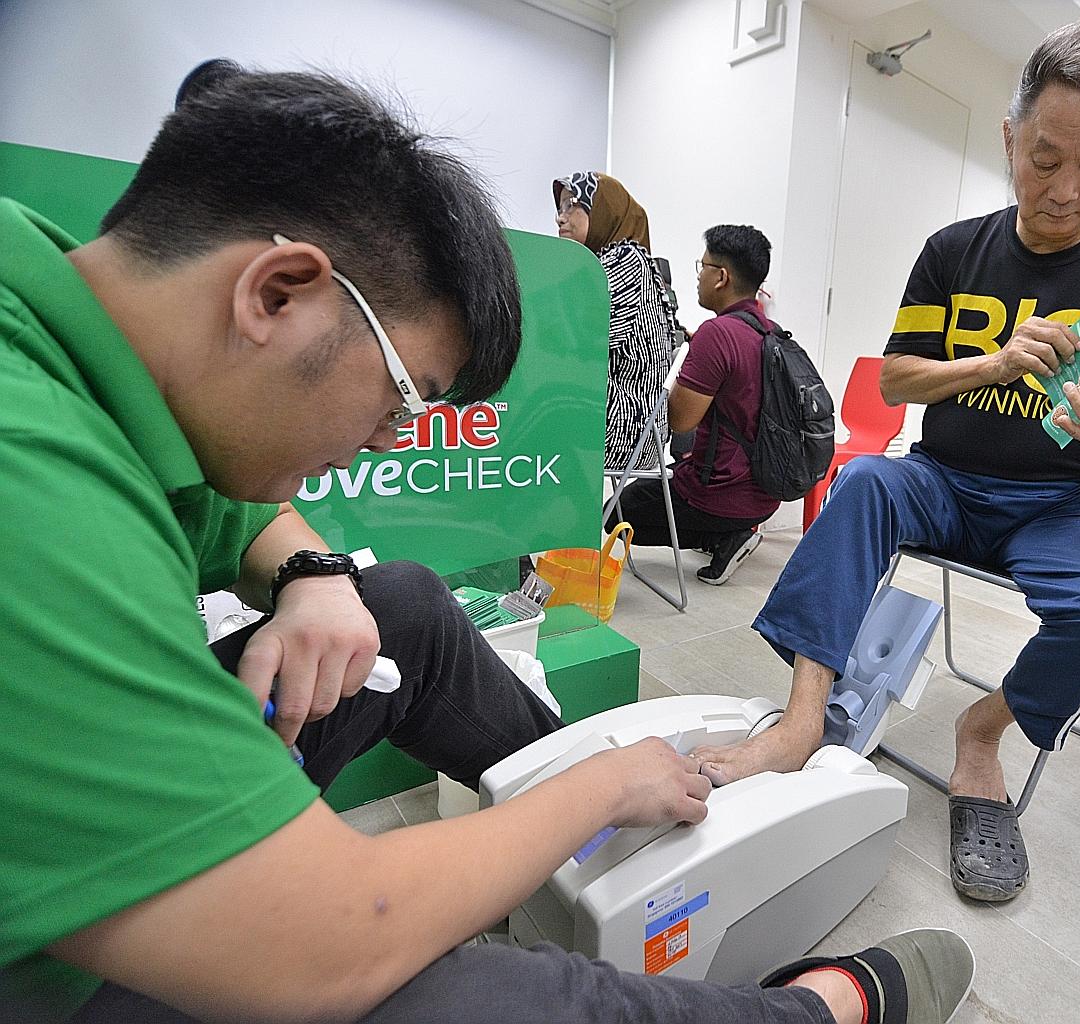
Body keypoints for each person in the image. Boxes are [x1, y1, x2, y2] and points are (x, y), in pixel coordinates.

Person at [0, 63, 977, 1024]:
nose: (389, 437)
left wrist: (310, 571)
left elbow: (242, 512)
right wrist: (600, 785)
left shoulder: (70, 330)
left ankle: (604, 856)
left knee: (408, 610)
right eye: (402, 395)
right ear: (276, 295)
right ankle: (820, 1008)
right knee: (496, 993)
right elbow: (327, 940)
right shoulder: (32, 494)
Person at [692, 20, 1080, 904]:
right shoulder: (954, 251)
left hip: (1064, 500)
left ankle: (983, 733)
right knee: (861, 483)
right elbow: (896, 381)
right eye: (1045, 158)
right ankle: (802, 721)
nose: (1067, 189)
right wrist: (995, 362)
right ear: (1011, 137)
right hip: (943, 482)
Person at [607, 224, 781, 585]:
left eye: (702, 267)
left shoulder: (716, 333)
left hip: (719, 493)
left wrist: (677, 372)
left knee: (617, 513)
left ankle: (720, 536)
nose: (698, 276)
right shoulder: (768, 330)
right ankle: (728, 532)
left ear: (721, 277)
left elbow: (681, 421)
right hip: (765, 491)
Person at [553, 171, 678, 472]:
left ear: (602, 210)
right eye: (559, 208)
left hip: (627, 429)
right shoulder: (606, 262)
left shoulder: (625, 259)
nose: (560, 218)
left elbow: (576, 340)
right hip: (627, 422)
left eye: (572, 204)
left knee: (510, 423)